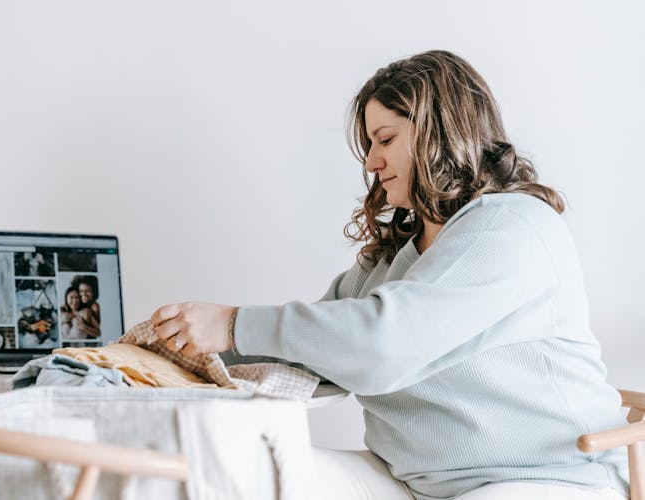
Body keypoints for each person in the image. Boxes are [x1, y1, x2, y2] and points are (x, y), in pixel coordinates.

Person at [148, 50, 629, 500]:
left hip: (542, 477)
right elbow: (316, 352)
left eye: (386, 139)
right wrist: (188, 350)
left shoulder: (512, 226)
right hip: (413, 481)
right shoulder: (394, 253)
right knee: (248, 470)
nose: (372, 162)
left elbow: (384, 341)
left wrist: (232, 321)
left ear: (440, 131)